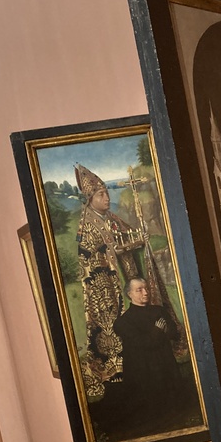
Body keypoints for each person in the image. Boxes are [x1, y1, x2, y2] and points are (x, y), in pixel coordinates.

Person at [74, 163, 139, 399]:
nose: (107, 198)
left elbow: (127, 234)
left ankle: (135, 369)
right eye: (101, 194)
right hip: (103, 287)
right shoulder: (87, 223)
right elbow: (87, 256)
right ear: (90, 198)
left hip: (121, 279)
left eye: (107, 193)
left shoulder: (110, 217)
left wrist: (129, 243)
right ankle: (115, 375)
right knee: (112, 328)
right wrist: (112, 251)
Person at [113, 278, 182, 428]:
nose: (145, 293)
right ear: (130, 294)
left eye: (146, 289)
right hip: (145, 370)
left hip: (165, 363)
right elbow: (144, 343)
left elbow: (174, 334)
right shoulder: (123, 322)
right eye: (139, 290)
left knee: (176, 404)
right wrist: (157, 331)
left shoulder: (159, 310)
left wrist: (161, 333)